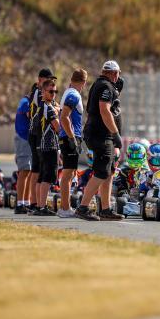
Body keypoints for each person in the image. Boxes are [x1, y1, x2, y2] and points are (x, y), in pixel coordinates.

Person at [75, 61, 124, 221]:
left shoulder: (102, 85)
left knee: (108, 172)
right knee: (102, 171)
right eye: (117, 73)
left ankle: (105, 209)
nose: (119, 76)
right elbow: (104, 110)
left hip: (102, 135)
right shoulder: (105, 87)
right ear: (113, 73)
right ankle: (82, 208)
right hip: (100, 135)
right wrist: (115, 133)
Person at [57, 68, 88, 218]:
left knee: (70, 173)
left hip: (67, 136)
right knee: (68, 174)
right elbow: (64, 117)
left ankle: (65, 206)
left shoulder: (68, 92)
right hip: (70, 136)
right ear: (84, 82)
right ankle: (64, 208)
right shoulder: (74, 95)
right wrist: (72, 138)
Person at [27, 68, 57, 212]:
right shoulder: (38, 93)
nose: (50, 82)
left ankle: (37, 203)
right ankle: (35, 203)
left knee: (40, 170)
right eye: (47, 79)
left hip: (39, 133)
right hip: (37, 134)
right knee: (37, 170)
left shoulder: (41, 92)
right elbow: (48, 111)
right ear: (40, 80)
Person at [33, 79, 60, 216]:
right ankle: (42, 207)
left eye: (55, 91)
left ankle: (39, 206)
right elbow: (58, 126)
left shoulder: (44, 106)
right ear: (43, 92)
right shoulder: (48, 107)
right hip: (49, 146)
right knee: (47, 178)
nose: (53, 94)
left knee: (42, 177)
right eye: (50, 91)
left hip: (42, 146)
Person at [13, 91, 33, 214]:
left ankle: (26, 202)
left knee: (29, 172)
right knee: (24, 171)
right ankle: (20, 203)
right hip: (23, 138)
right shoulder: (25, 102)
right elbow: (31, 116)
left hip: (30, 140)